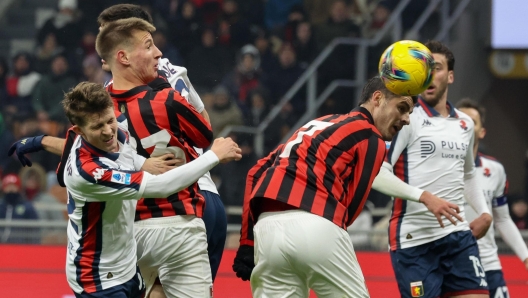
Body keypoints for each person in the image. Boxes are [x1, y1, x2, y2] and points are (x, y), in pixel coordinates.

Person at [233, 76, 440, 297]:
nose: (407, 119)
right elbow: (351, 209)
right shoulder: (371, 137)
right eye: (402, 108)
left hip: (266, 232)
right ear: (377, 98)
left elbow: (256, 172)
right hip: (317, 225)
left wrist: (247, 242)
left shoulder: (317, 124)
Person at [59, 81, 240, 297]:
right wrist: (213, 156)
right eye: (98, 127)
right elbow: (160, 187)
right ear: (79, 131)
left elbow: (124, 152)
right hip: (97, 277)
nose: (108, 131)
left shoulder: (114, 136)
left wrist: (143, 162)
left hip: (126, 266)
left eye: (110, 121)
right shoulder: (88, 172)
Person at [97, 4, 229, 285]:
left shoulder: (110, 96)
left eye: (105, 33)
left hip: (166, 209)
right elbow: (203, 124)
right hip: (205, 196)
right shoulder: (172, 71)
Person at [371, 40, 492, 298]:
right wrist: (425, 197)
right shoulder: (406, 117)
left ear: (450, 76)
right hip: (415, 241)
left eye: (435, 68)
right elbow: (378, 172)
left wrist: (484, 212)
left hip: (458, 237)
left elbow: (468, 174)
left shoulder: (465, 124)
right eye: (422, 69)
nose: (428, 75)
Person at [457, 98, 528, 298]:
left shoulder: (495, 170)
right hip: (452, 262)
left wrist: (526, 257)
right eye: (461, 119)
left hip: (489, 263)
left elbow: (503, 219)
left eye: (473, 121)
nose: (466, 125)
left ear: (482, 132)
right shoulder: (437, 167)